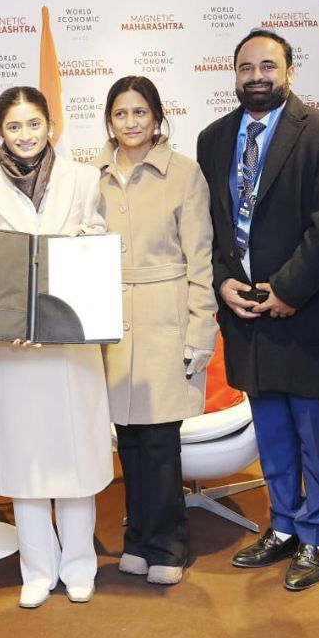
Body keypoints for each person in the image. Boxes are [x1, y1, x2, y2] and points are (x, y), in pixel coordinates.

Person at [195, 28, 319, 591]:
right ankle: (284, 524)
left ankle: (317, 533)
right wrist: (223, 282)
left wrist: (288, 290)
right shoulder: (213, 138)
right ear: (234, 73)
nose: (257, 76)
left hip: (305, 311)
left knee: (314, 429)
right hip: (244, 314)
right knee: (271, 428)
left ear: (290, 72)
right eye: (246, 67)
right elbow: (213, 226)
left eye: (269, 66)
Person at [0, 86, 111, 608]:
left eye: (34, 124)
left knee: (76, 460)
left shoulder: (86, 180)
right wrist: (3, 323)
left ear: (51, 126)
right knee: (27, 464)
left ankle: (80, 565)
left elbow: (98, 251)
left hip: (72, 346)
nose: (25, 136)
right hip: (13, 349)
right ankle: (38, 570)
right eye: (14, 126)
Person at [95, 76, 216, 586]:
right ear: (109, 120)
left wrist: (201, 330)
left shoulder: (185, 174)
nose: (130, 123)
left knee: (162, 441)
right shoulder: (91, 178)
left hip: (166, 319)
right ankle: (138, 539)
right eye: (121, 114)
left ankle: (170, 542)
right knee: (130, 442)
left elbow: (201, 259)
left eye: (139, 113)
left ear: (157, 117)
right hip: (111, 325)